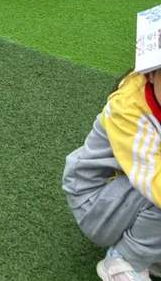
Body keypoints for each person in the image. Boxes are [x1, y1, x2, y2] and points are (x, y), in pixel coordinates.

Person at [63, 63, 161, 280]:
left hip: (128, 194)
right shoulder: (129, 109)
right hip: (95, 201)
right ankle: (124, 261)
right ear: (151, 73)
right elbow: (153, 181)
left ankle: (151, 252)